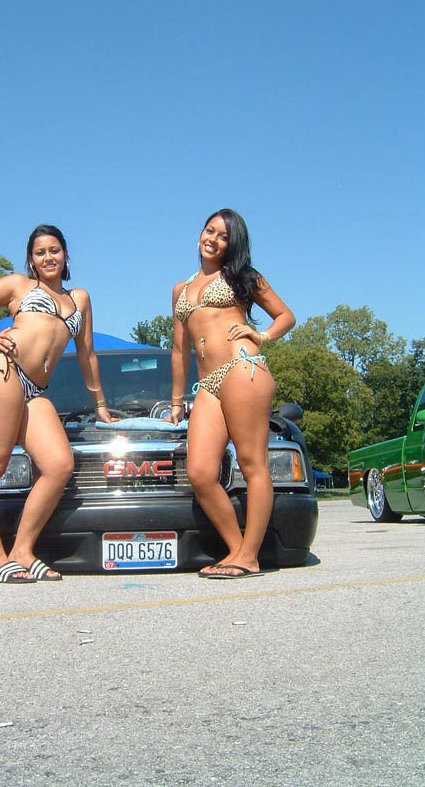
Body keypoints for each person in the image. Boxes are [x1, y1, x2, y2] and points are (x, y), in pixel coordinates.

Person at [0, 224, 115, 583]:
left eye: (54, 250)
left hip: (35, 389)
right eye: (40, 252)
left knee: (59, 465)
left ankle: (22, 551)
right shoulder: (19, 285)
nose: (48, 257)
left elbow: (87, 354)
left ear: (65, 254)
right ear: (31, 259)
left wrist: (100, 405)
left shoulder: (80, 299)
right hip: (3, 370)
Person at [170, 208, 295, 579]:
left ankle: (249, 556)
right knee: (200, 472)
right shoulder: (180, 289)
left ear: (232, 244)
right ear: (200, 233)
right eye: (210, 230)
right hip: (207, 384)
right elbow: (179, 350)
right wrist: (176, 400)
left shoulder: (243, 277)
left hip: (242, 368)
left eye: (223, 236)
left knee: (252, 463)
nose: (213, 239)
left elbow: (286, 316)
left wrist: (262, 335)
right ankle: (237, 550)